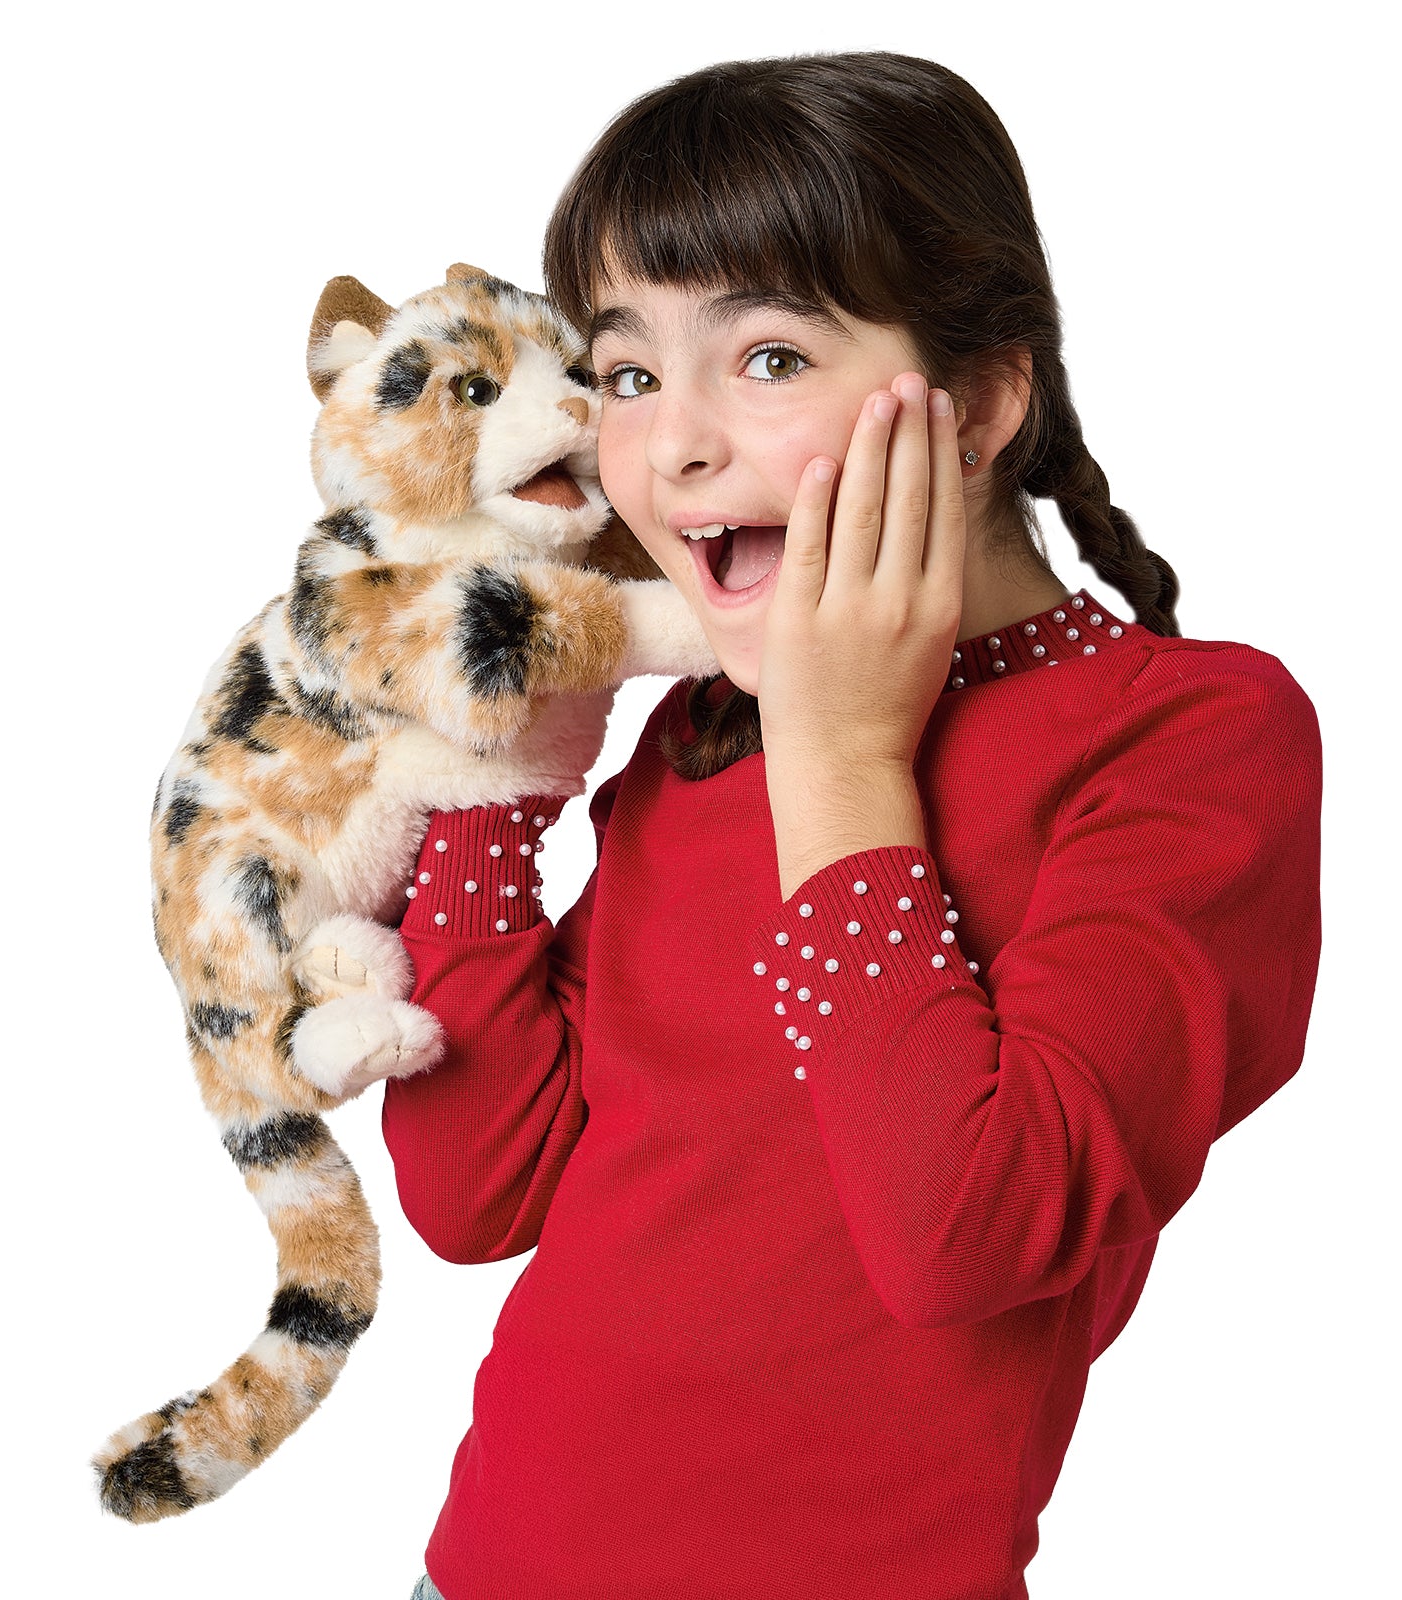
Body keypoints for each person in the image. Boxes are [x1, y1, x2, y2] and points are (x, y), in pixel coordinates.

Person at [384, 52, 1322, 1600]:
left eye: (766, 356)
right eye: (628, 374)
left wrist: (844, 753)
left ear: (980, 406)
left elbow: (967, 1235)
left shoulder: (1190, 743)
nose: (670, 447)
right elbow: (477, 1193)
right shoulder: (705, 732)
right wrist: (495, 765)